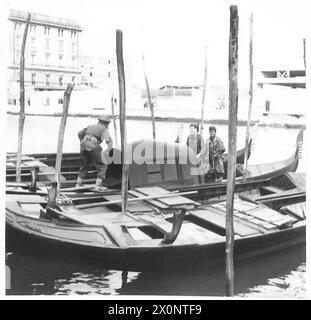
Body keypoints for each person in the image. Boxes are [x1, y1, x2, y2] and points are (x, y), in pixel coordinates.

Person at [76, 115, 113, 191]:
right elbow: (109, 142)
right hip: (94, 146)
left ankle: (78, 184)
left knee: (84, 165)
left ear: (98, 121)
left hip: (83, 146)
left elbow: (79, 133)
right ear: (107, 124)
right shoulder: (105, 129)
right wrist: (108, 151)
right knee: (103, 166)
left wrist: (83, 141)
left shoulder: (90, 126)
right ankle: (97, 186)